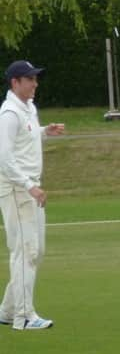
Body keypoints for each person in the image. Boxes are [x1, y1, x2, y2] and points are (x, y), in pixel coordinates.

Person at [0, 60, 65, 330]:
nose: (35, 84)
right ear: (15, 83)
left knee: (34, 251)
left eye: (35, 78)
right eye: (30, 79)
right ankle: (24, 317)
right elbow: (3, 156)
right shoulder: (9, 113)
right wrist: (28, 185)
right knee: (26, 250)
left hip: (29, 188)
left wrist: (43, 132)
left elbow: (23, 138)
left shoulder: (28, 108)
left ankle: (7, 310)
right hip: (17, 190)